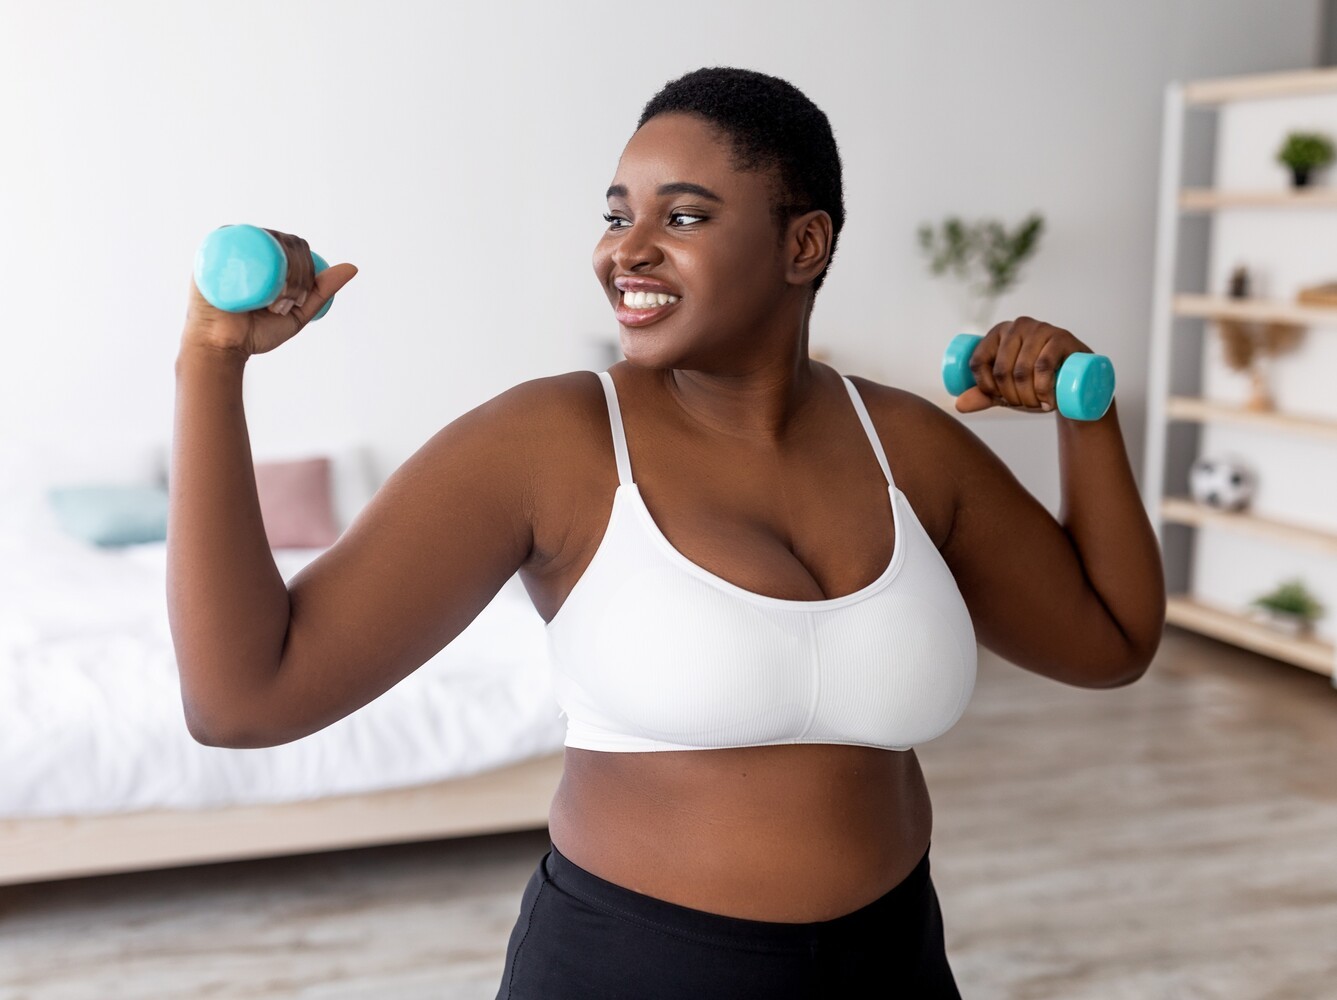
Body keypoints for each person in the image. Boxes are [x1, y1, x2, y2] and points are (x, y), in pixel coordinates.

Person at [169, 66, 1166, 999]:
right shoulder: (548, 441)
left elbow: (1109, 642)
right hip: (632, 966)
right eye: (615, 215)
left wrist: (1085, 417)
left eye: (680, 214)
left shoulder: (904, 443)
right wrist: (210, 365)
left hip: (892, 960)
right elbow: (243, 697)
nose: (624, 249)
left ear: (802, 245)